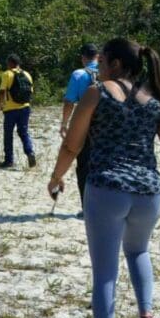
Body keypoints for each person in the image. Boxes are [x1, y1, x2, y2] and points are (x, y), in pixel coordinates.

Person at [47, 38, 160, 318]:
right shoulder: (154, 99)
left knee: (105, 273)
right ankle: (146, 317)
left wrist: (56, 178)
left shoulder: (98, 92)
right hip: (149, 192)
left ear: (113, 63)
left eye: (103, 61)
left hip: (107, 188)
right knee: (139, 251)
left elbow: (72, 145)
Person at [61, 43, 99, 218]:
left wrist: (65, 123)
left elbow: (69, 102)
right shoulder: (110, 73)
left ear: (83, 57)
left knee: (83, 166)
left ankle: (87, 208)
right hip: (108, 126)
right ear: (98, 56)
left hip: (85, 126)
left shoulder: (79, 74)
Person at [0, 53, 36, 168]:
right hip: (25, 108)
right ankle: (30, 152)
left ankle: (9, 160)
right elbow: (30, 92)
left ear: (10, 63)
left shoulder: (7, 74)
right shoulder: (27, 74)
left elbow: (2, 92)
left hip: (10, 109)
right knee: (23, 132)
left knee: (8, 134)